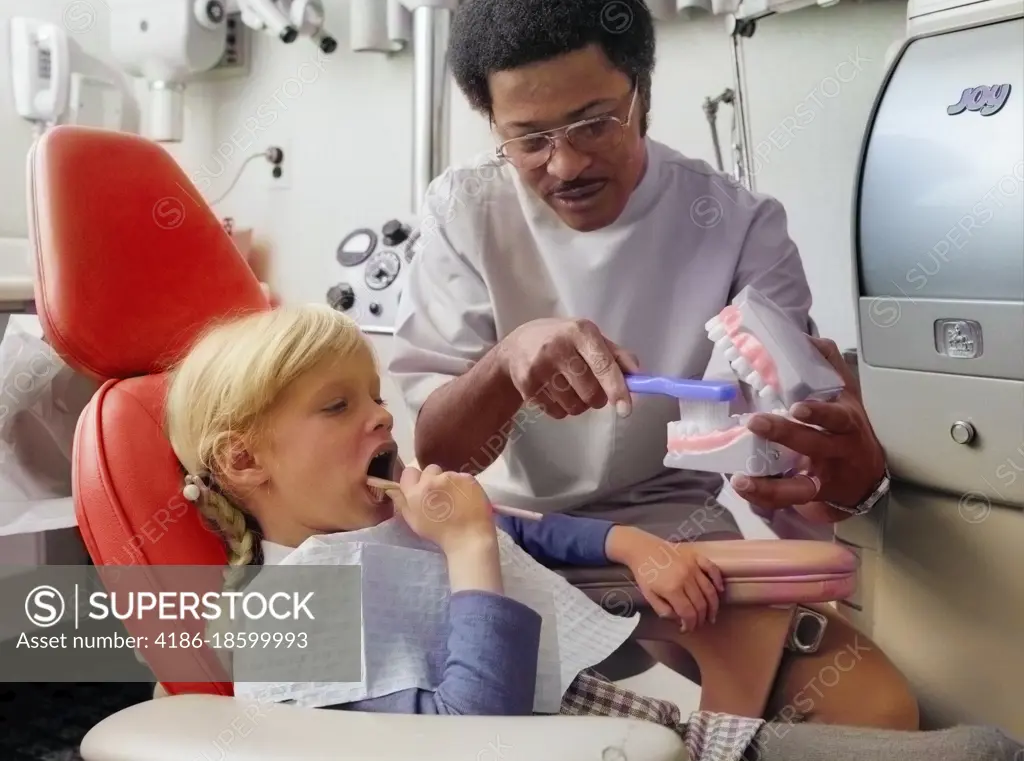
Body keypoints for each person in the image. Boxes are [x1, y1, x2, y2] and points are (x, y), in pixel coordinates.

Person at [388, 0, 911, 728]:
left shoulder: (736, 225)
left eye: (595, 122)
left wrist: (844, 467)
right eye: (528, 139)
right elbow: (442, 457)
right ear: (492, 126)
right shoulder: (466, 210)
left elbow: (815, 471)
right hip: (503, 533)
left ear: (644, 95)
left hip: (677, 531)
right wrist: (506, 362)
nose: (565, 163)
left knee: (876, 707)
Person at [162, 305, 1022, 761]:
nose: (384, 415)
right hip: (602, 743)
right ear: (244, 460)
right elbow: (469, 738)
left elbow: (526, 534)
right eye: (338, 405)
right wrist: (464, 550)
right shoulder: (288, 616)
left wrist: (627, 545)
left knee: (983, 744)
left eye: (374, 391)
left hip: (658, 728)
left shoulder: (394, 517)